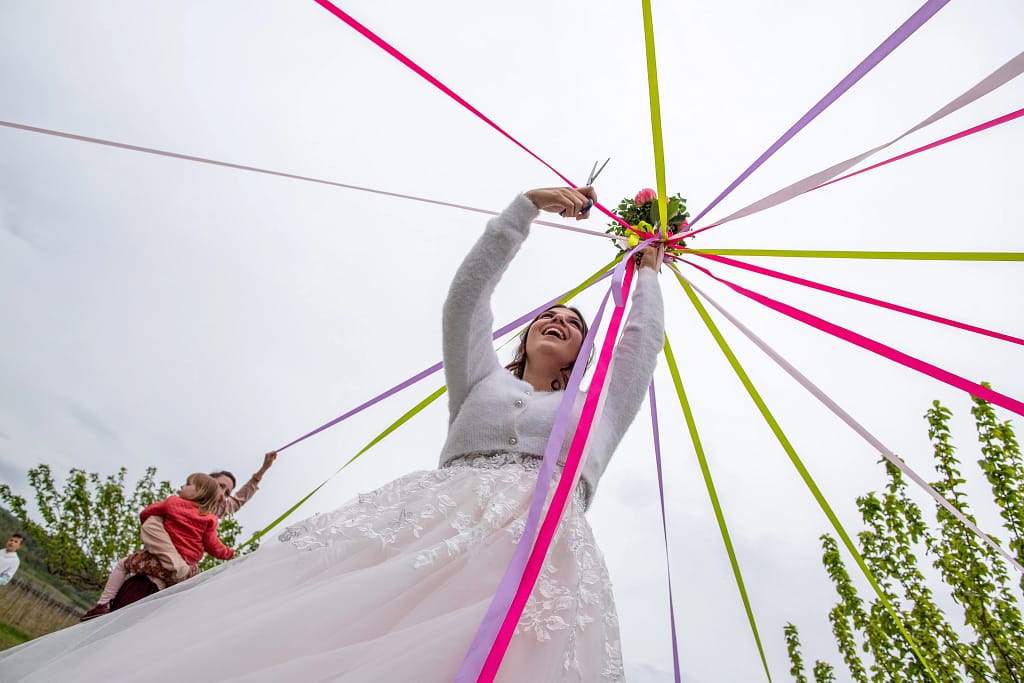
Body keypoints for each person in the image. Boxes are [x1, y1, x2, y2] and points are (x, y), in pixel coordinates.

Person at [0, 186, 663, 682]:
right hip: (430, 527)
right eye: (550, 313)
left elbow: (638, 351)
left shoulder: (597, 414)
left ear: (582, 353)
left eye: (574, 322)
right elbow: (467, 296)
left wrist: (651, 267)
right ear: (526, 335)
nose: (560, 319)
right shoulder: (482, 378)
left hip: (540, 552)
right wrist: (524, 207)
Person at [79, 474, 234, 621]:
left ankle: (103, 603)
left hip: (157, 563)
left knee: (122, 564)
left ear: (199, 491)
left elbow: (146, 513)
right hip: (186, 573)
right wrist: (229, 553)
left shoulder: (172, 503)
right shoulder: (210, 519)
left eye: (188, 484)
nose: (182, 486)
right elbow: (213, 546)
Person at [138, 451, 278, 586]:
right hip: (151, 568)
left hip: (176, 575)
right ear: (205, 484)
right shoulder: (174, 504)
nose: (222, 494)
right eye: (220, 486)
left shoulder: (212, 513)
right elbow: (149, 519)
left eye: (227, 493)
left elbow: (237, 501)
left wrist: (262, 470)